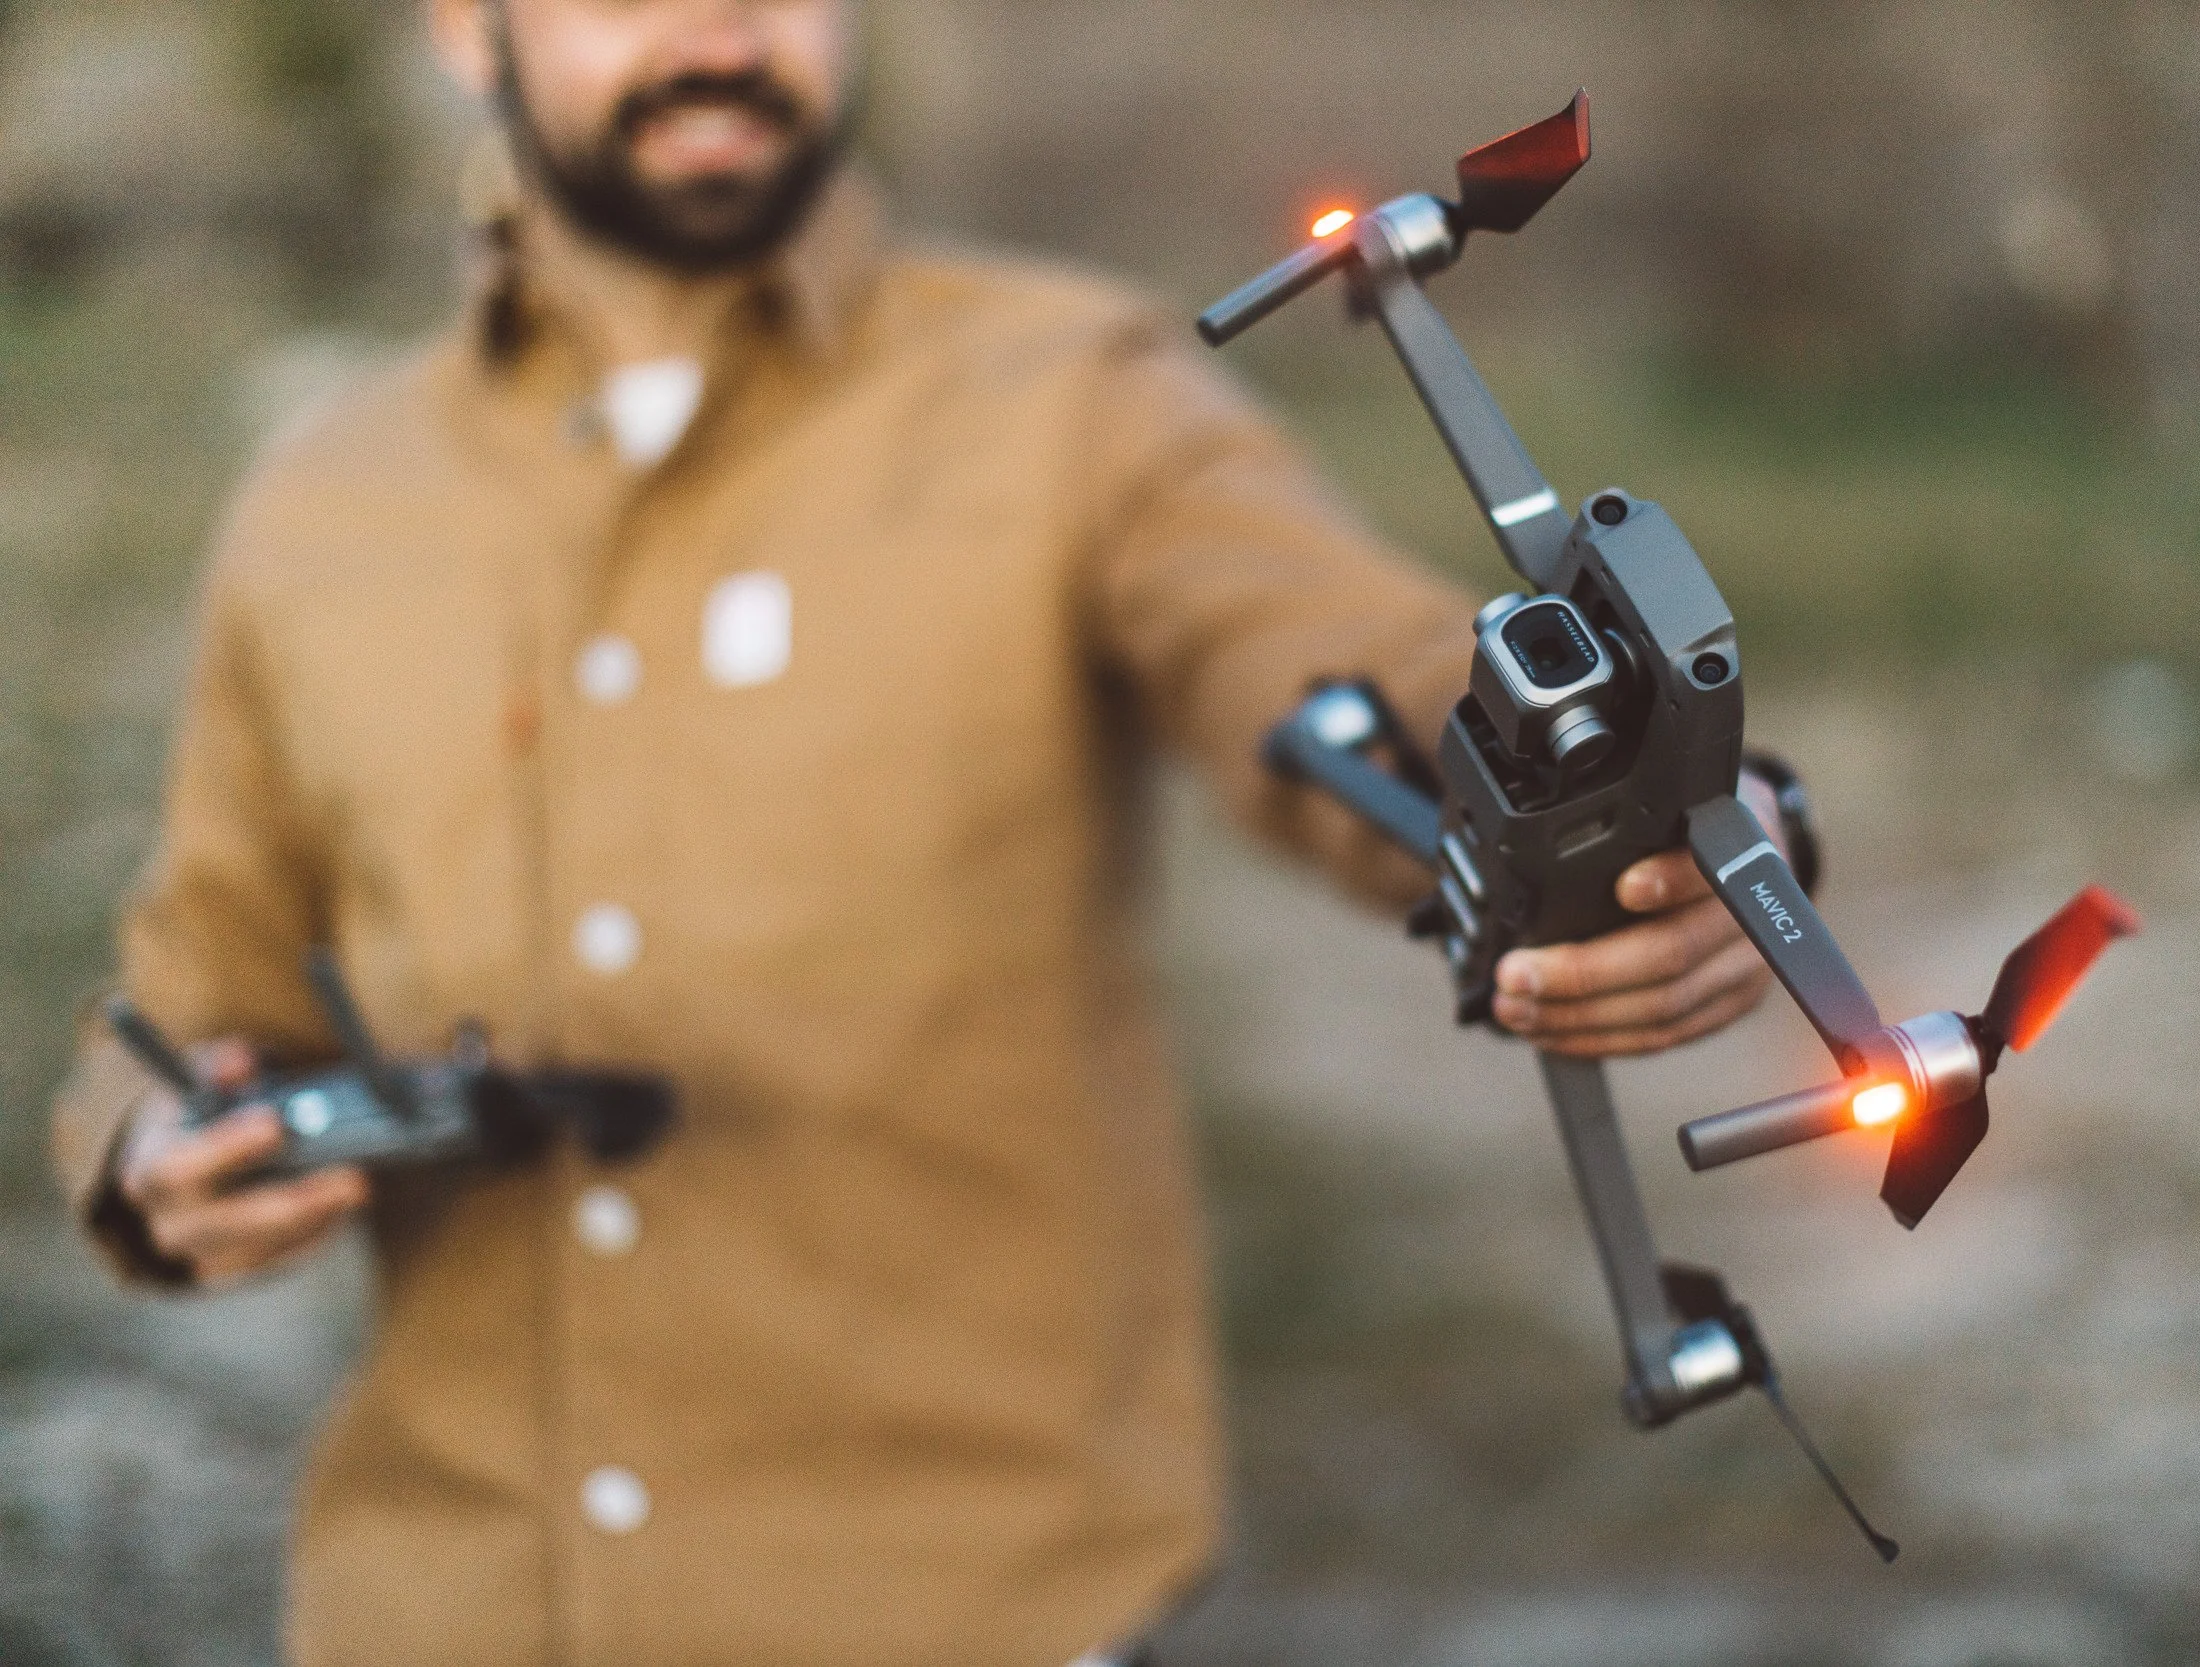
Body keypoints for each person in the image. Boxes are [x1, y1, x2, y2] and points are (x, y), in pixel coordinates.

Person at [49, 3, 1798, 1662]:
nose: (720, 33)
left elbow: (1342, 666)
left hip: (973, 1607)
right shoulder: (320, 507)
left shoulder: (1075, 395)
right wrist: (157, 1156)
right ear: (460, 25)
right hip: (431, 1607)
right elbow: (187, 988)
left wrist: (1655, 802)